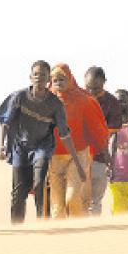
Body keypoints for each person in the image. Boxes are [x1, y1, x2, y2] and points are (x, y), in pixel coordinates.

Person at [0, 61, 86, 223]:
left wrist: (78, 164)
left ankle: (40, 222)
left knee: (39, 183)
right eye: (36, 74)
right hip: (20, 147)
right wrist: (1, 146)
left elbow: (65, 134)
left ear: (48, 79)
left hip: (41, 146)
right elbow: (6, 122)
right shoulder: (19, 97)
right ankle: (17, 226)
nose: (39, 77)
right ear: (31, 77)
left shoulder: (55, 104)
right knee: (19, 191)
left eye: (43, 75)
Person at [48, 63, 107, 218]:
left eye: (62, 79)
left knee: (73, 198)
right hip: (54, 156)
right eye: (55, 80)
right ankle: (61, 237)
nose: (58, 83)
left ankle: (79, 229)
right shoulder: (45, 100)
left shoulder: (83, 100)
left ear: (70, 79)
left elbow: (96, 126)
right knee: (57, 205)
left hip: (78, 154)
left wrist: (103, 149)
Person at [84, 66, 122, 215]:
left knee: (95, 201)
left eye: (96, 88)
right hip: (77, 157)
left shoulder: (112, 103)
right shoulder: (77, 98)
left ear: (104, 82)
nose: (92, 92)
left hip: (100, 157)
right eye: (88, 88)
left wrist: (110, 158)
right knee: (77, 199)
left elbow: (113, 135)